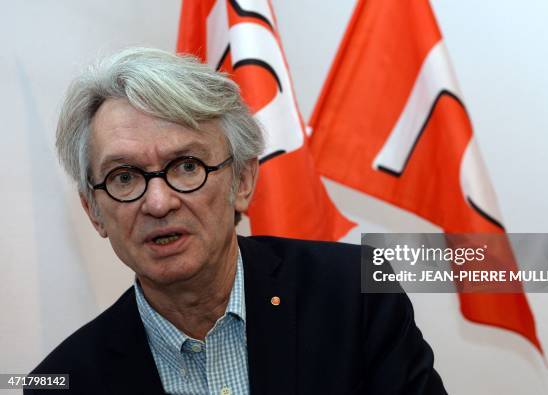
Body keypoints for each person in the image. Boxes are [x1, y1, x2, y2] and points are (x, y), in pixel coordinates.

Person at [28, 48, 446, 394]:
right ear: (94, 212)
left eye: (187, 166)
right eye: (124, 177)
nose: (158, 202)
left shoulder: (355, 294)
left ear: (243, 180)